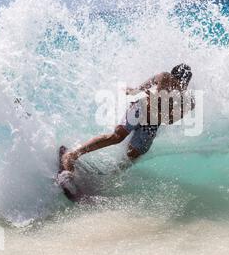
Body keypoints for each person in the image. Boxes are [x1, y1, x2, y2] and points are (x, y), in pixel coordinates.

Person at [60, 64, 194, 174]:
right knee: (117, 136)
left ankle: (110, 175)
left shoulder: (186, 100)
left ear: (185, 85)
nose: (175, 86)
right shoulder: (164, 76)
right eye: (174, 82)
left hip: (153, 122)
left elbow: (169, 120)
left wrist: (155, 109)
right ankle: (72, 155)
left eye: (180, 85)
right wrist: (136, 90)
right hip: (141, 107)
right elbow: (150, 82)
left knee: (134, 154)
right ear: (172, 76)